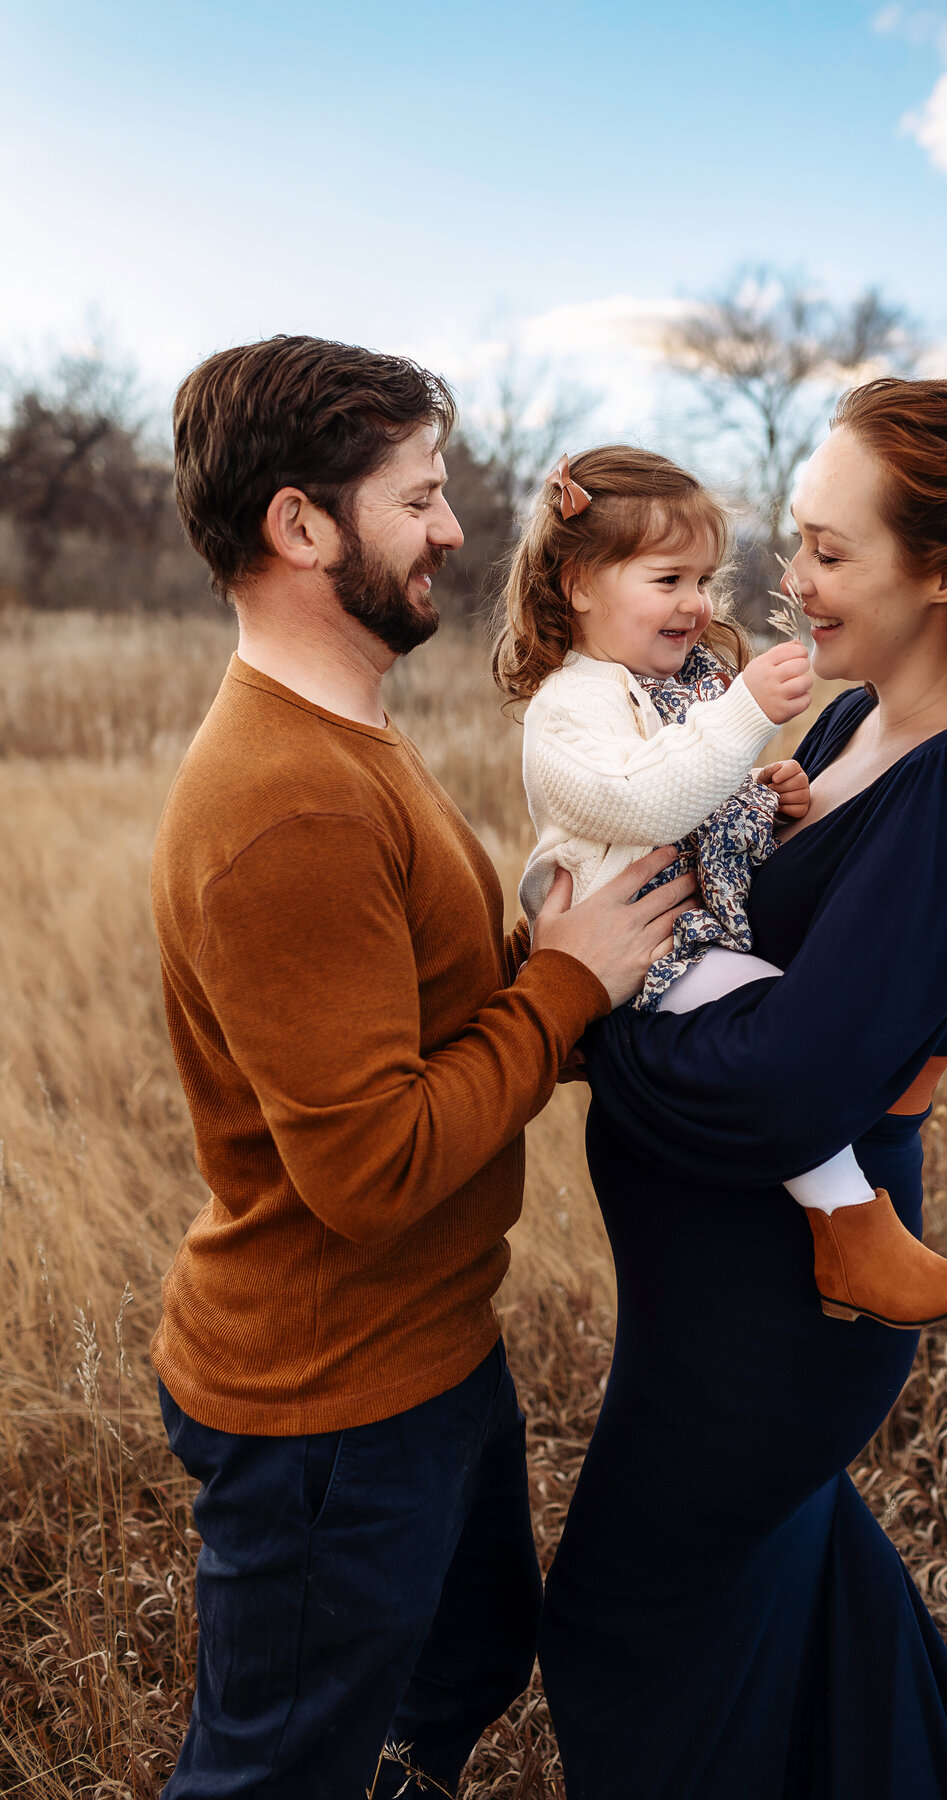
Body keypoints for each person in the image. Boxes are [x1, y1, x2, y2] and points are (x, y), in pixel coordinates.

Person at [537, 378, 947, 1798]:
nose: (788, 583)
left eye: (829, 552)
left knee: (623, 1635)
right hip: (709, 1310)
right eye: (795, 543)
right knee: (803, 1622)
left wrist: (582, 1001)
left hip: (780, 1326)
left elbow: (788, 1092)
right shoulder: (858, 720)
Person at [150, 334, 695, 1800]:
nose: (456, 530)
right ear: (301, 525)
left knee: (463, 1665)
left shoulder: (350, 740)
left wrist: (566, 992)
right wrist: (568, 988)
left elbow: (428, 1024)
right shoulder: (288, 804)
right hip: (328, 1400)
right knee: (273, 1773)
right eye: (421, 497)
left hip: (432, 1351)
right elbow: (372, 1166)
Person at [493, 444, 947, 1330]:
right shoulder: (570, 705)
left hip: (675, 938)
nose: (695, 603)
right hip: (643, 952)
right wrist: (749, 715)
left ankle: (852, 1238)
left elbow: (695, 799)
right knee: (769, 1007)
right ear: (576, 585)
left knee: (768, 1011)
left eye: (704, 579)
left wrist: (760, 795)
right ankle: (856, 1234)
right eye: (667, 578)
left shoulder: (674, 687)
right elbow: (641, 796)